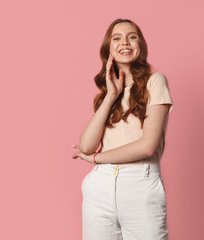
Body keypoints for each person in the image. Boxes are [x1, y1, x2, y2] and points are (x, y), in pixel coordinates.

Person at [72, 18, 173, 240]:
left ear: (141, 45)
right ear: (109, 48)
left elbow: (148, 146)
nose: (124, 42)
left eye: (132, 37)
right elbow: (87, 145)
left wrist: (98, 159)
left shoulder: (155, 82)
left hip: (140, 183)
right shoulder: (107, 94)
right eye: (116, 38)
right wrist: (110, 95)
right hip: (100, 186)